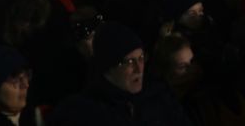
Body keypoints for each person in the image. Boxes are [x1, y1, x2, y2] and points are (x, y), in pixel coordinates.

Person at [50, 22, 192, 125]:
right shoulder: (82, 112)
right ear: (108, 68)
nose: (139, 68)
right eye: (129, 62)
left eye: (141, 58)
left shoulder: (158, 94)